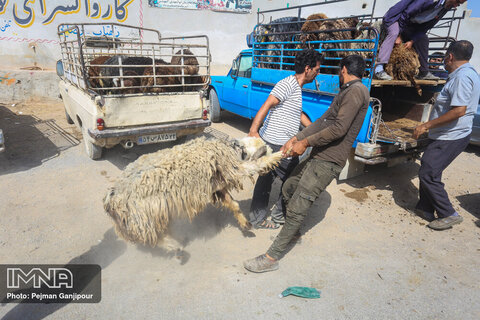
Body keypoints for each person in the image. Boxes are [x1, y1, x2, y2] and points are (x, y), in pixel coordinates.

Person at [244, 55, 370, 272]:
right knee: (289, 185)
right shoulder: (346, 91)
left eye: (338, 70)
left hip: (329, 159)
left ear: (344, 70)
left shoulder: (356, 91)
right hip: (317, 152)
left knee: (299, 203)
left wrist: (306, 141)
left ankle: (271, 257)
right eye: (318, 69)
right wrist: (297, 138)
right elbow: (322, 121)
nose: (322, 73)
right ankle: (283, 225)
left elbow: (339, 129)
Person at [247, 49, 320, 229]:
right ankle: (279, 217)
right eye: (317, 69)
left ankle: (258, 219)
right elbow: (268, 104)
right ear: (308, 68)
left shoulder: (296, 88)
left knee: (266, 179)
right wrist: (253, 130)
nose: (318, 73)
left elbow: (298, 113)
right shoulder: (287, 84)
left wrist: (314, 130)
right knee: (292, 181)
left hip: (276, 143)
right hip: (277, 144)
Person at [412, 40, 480, 230]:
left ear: (450, 56)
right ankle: (424, 208)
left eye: (444, 57)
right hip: (447, 134)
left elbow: (458, 111)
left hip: (451, 135)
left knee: (427, 172)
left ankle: (448, 213)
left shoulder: (462, 78)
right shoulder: (465, 74)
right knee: (432, 169)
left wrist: (426, 125)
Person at [374, 0, 466, 81]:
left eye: (458, 4)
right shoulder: (430, 0)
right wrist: (399, 35)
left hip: (411, 25)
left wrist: (412, 41)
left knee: (423, 39)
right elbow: (406, 14)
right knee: (393, 33)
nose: (455, 5)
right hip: (396, 18)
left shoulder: (445, 8)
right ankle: (379, 68)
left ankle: (423, 73)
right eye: (457, 1)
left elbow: (427, 26)